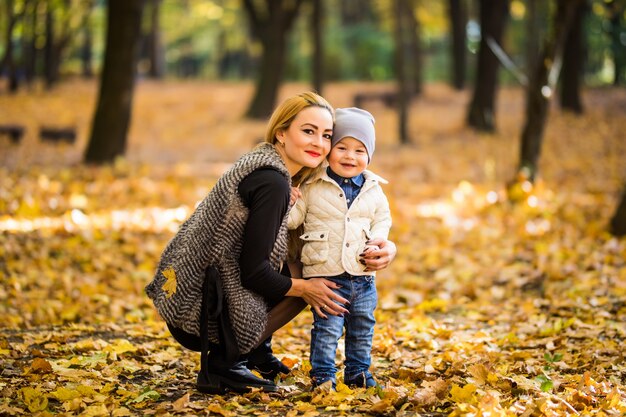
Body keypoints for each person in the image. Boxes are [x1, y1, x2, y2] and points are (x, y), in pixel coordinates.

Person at [145, 93, 397, 395]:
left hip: (190, 292)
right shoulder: (273, 183)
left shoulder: (265, 165)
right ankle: (226, 361)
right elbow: (254, 272)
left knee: (307, 264)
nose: (319, 143)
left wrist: (387, 247)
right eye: (308, 131)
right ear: (281, 132)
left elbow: (324, 231)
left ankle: (257, 355)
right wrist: (307, 288)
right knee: (312, 279)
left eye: (327, 135)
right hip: (199, 311)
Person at [288, 107, 391, 390]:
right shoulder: (312, 184)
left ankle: (358, 373)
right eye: (342, 147)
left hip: (363, 275)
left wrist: (381, 239)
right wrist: (289, 202)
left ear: (369, 156)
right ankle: (323, 376)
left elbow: (382, 218)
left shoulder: (373, 188)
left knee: (362, 327)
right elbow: (294, 221)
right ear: (329, 150)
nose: (350, 156)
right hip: (326, 275)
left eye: (360, 151)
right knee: (326, 330)